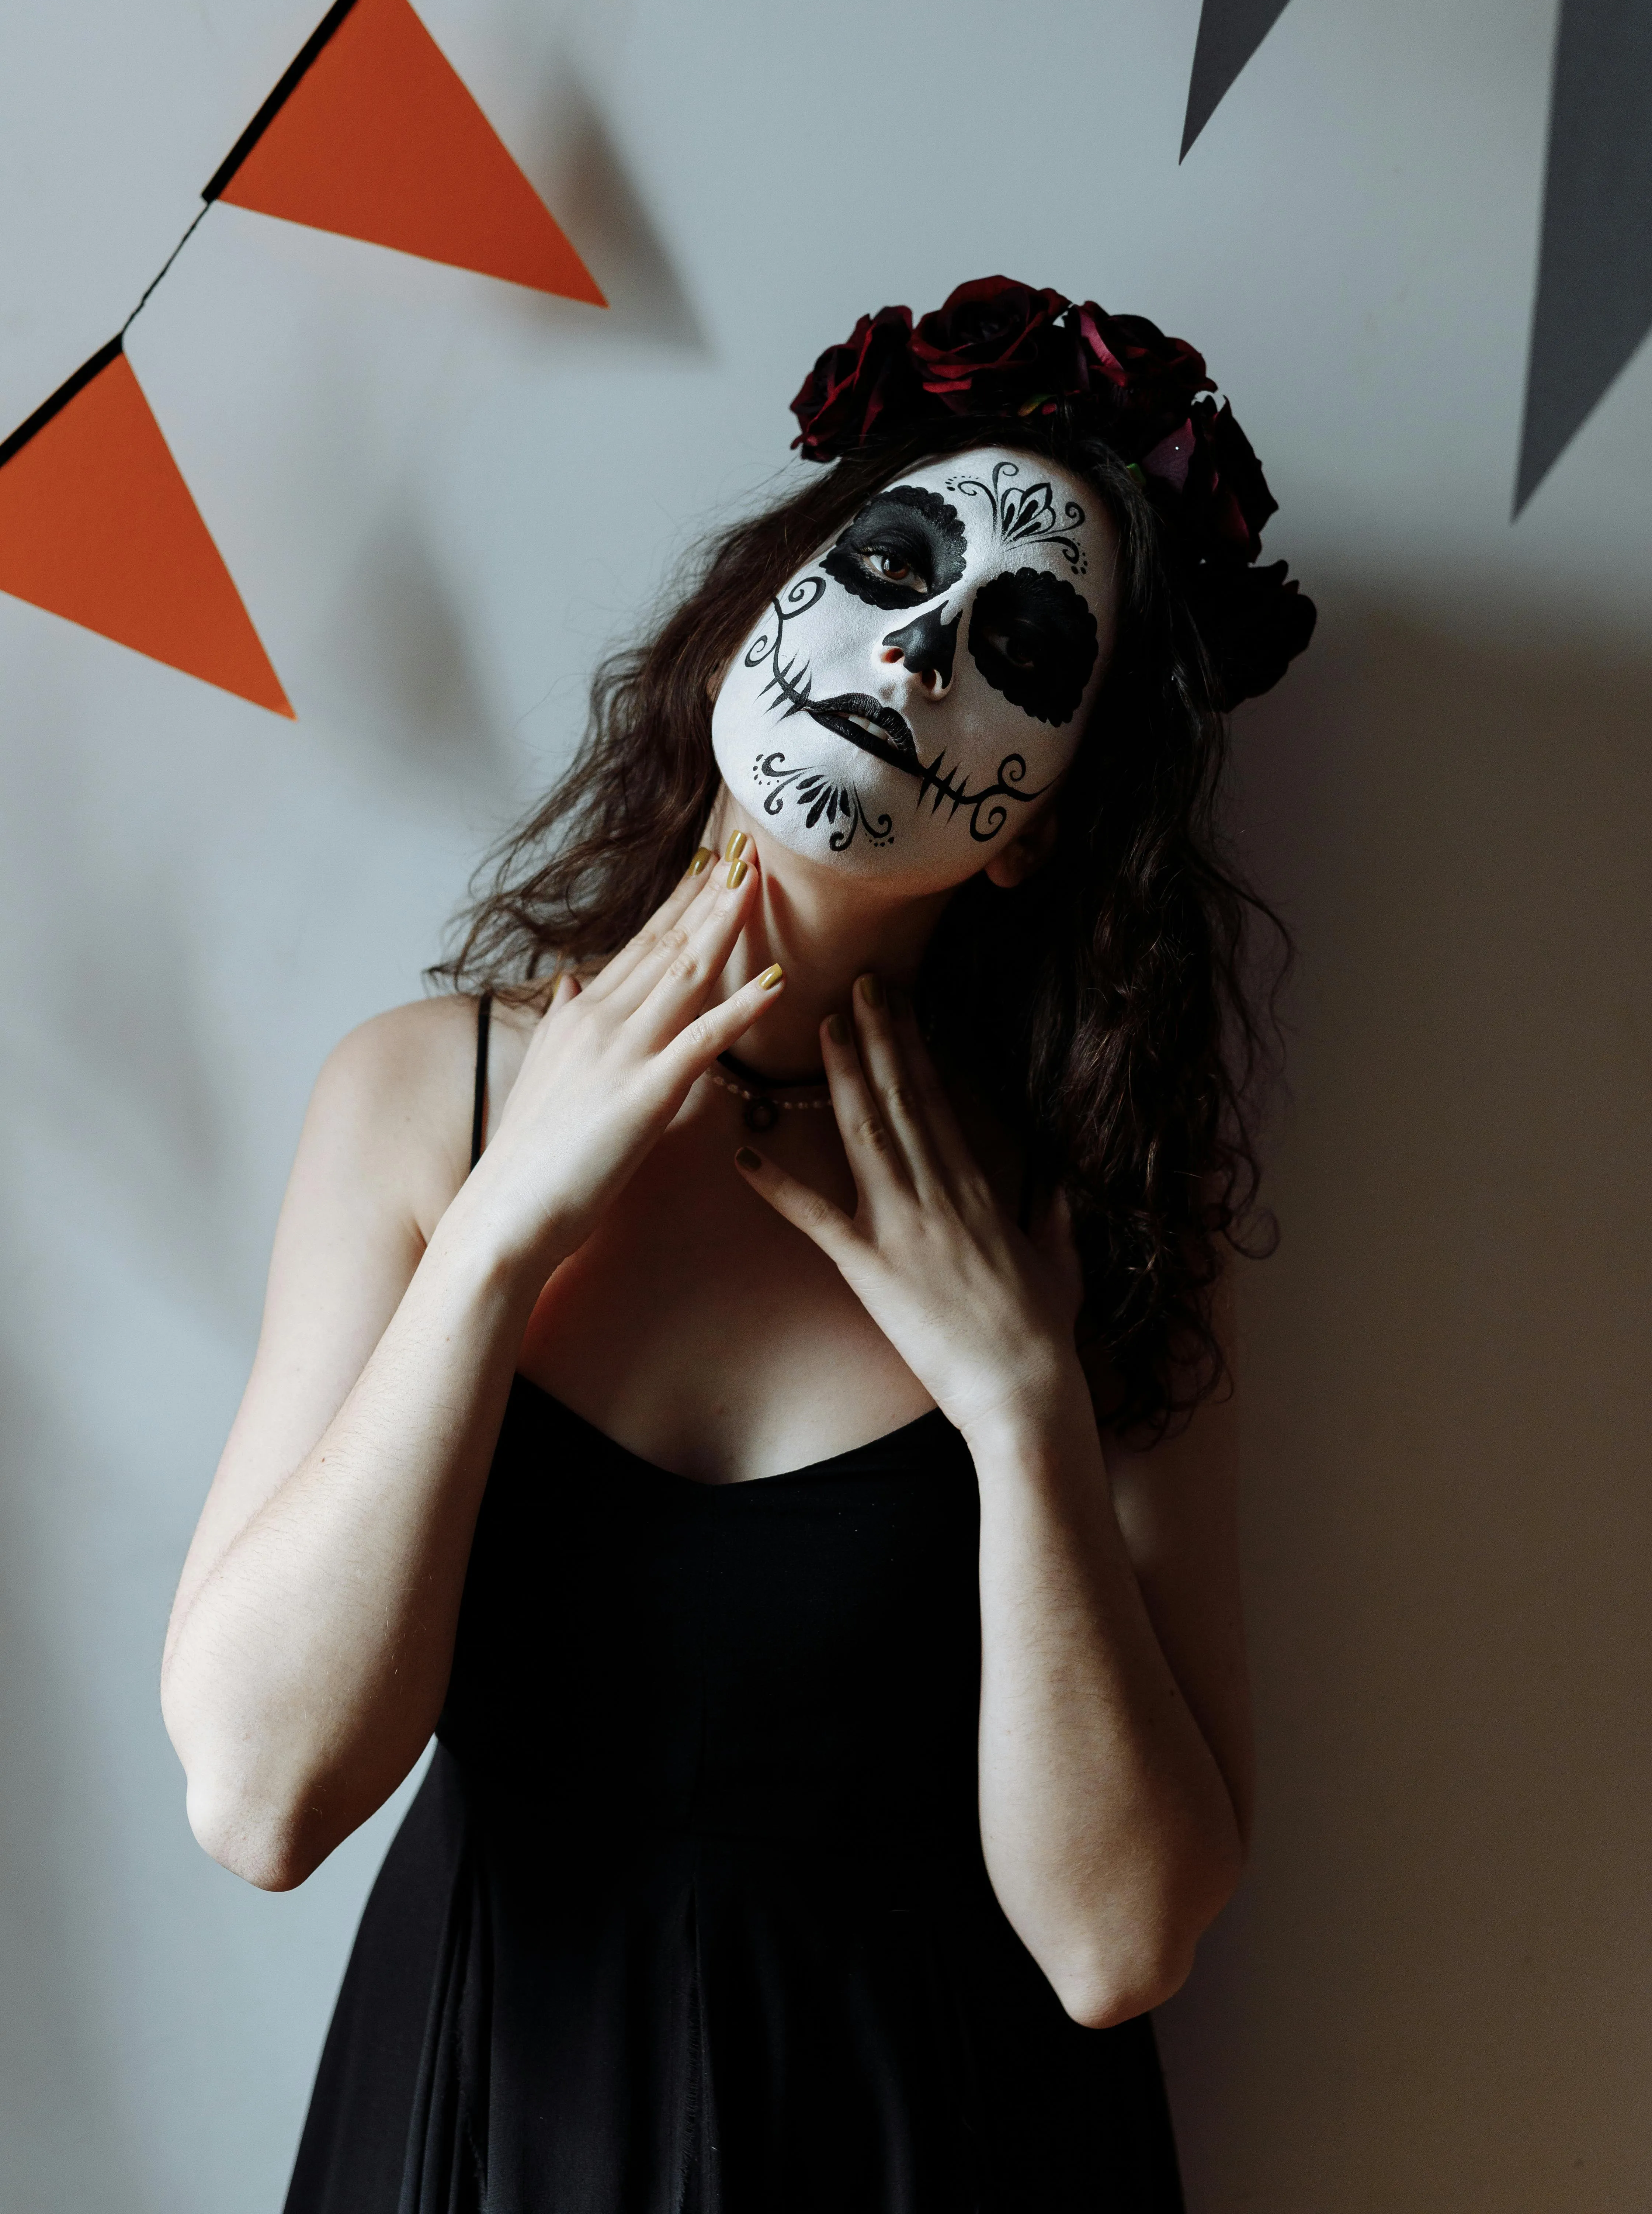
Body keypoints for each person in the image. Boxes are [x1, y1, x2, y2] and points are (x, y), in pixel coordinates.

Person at [161, 277, 1314, 2214]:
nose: (923, 641)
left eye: (1023, 642)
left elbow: (1121, 1945)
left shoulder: (1074, 1192)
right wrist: (500, 1243)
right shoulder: (420, 1102)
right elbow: (261, 1800)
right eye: (884, 561)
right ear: (763, 609)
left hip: (940, 2143)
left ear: (1035, 827)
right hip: (497, 2115)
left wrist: (1021, 1397)